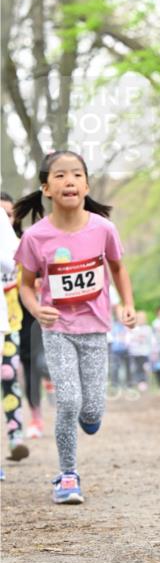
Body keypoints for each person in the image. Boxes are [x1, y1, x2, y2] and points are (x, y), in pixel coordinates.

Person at [14, 149, 136, 504]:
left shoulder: (103, 229)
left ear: (85, 184)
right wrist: (37, 309)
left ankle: (90, 415)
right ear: (46, 188)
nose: (70, 180)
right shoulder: (36, 237)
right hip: (59, 329)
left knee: (92, 409)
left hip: (96, 329)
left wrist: (127, 305)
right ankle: (68, 475)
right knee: (68, 401)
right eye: (61, 175)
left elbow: (118, 269)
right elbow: (25, 285)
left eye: (77, 174)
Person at [0, 194, 29, 463]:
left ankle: (15, 436)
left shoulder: (20, 247)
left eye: (9, 214)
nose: (5, 218)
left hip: (11, 322)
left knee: (8, 374)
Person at [127, 310, 152, 391]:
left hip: (145, 352)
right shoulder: (133, 329)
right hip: (135, 352)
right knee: (137, 367)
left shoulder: (148, 328)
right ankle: (140, 381)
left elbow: (150, 340)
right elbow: (129, 339)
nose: (141, 320)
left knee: (145, 367)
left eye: (142, 318)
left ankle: (144, 380)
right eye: (139, 318)